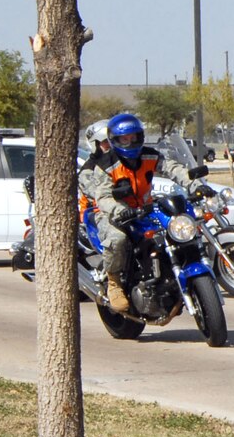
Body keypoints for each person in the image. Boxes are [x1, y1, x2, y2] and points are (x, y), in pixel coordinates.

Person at [77, 112, 213, 313]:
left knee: (177, 226)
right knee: (118, 239)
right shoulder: (105, 165)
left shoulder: (150, 155)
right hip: (111, 213)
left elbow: (173, 168)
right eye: (125, 139)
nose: (130, 142)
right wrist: (119, 210)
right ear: (115, 140)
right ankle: (114, 281)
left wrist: (195, 186)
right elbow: (103, 196)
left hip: (145, 208)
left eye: (134, 137)